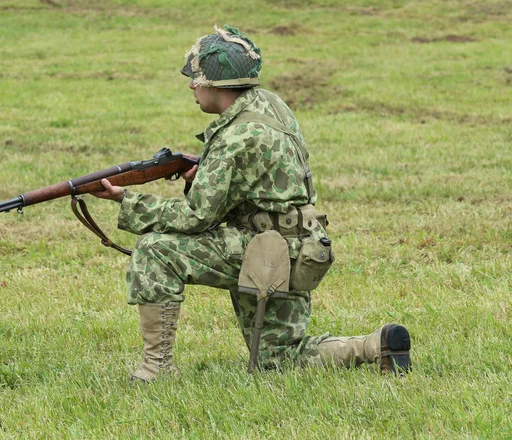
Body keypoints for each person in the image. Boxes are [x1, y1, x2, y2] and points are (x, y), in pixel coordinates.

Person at [92, 25, 412, 381]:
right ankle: (375, 345)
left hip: (265, 251)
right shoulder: (270, 104)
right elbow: (257, 179)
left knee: (156, 249)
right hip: (301, 246)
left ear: (218, 85)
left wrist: (127, 200)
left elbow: (196, 216)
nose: (191, 86)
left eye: (196, 79)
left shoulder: (236, 138)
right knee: (280, 360)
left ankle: (156, 368)